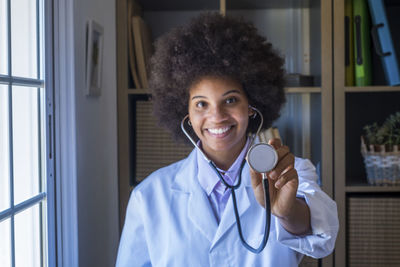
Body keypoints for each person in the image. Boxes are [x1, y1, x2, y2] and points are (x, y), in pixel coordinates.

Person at [116, 12, 339, 266]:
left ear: (252, 106)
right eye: (201, 104)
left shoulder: (291, 172)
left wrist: (287, 213)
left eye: (230, 100)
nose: (217, 116)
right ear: (185, 113)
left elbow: (323, 238)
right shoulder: (149, 196)